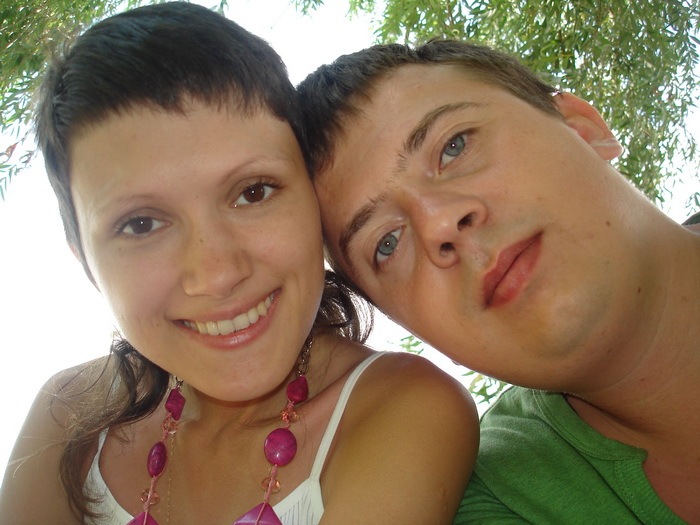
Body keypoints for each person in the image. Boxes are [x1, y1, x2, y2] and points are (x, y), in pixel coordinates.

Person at [0, 7, 479, 524]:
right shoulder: (69, 416)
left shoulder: (401, 410)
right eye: (141, 224)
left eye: (253, 192)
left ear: (315, 205)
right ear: (86, 262)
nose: (217, 274)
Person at [297, 40, 700, 524]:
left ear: (582, 127)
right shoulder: (497, 500)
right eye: (387, 243)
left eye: (454, 146)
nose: (439, 223)